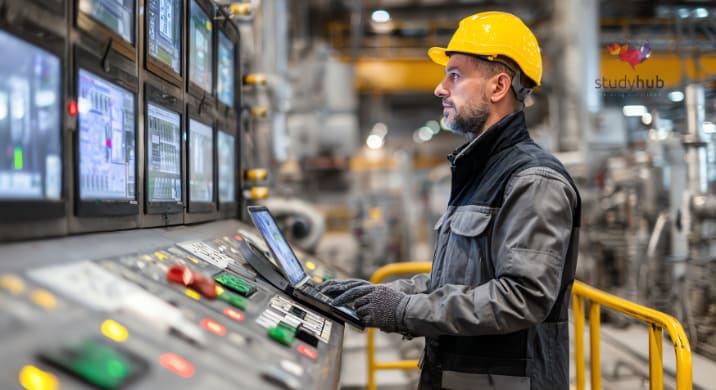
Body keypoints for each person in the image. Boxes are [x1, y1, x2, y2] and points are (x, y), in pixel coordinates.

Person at [320, 11, 581, 390]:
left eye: (455, 75)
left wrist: (404, 312)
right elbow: (461, 281)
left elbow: (522, 297)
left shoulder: (532, 180)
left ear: (498, 87)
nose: (440, 88)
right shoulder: (480, 172)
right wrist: (388, 294)